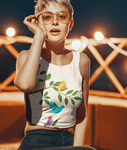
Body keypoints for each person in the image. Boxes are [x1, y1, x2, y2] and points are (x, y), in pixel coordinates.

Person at [14, 0, 90, 149]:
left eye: (61, 17)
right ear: (38, 22)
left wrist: (76, 148)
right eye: (47, 17)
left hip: (69, 141)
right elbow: (25, 84)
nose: (55, 22)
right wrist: (39, 35)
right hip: (36, 142)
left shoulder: (82, 61)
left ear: (70, 23)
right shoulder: (25, 57)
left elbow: (82, 116)